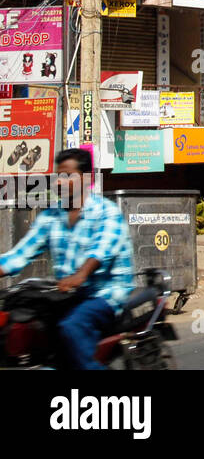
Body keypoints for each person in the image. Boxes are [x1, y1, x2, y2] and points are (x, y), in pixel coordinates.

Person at [0, 149, 134, 369]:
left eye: (68, 176)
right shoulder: (51, 216)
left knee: (72, 327)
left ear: (86, 178)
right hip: (67, 295)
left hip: (104, 293)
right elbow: (20, 254)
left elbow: (101, 251)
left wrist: (80, 275)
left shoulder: (106, 212)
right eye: (58, 177)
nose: (60, 182)